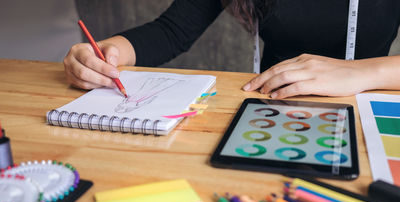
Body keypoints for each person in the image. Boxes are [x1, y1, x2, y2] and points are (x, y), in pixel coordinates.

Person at [63, 0, 400, 99]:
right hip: (270, 108)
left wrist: (361, 72)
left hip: (370, 110)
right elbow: (172, 31)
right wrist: (109, 52)